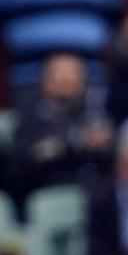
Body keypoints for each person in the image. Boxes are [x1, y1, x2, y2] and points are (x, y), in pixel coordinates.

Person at [8, 53, 113, 216]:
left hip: (94, 203)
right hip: (48, 203)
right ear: (45, 82)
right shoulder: (29, 124)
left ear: (84, 83)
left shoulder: (97, 120)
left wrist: (107, 145)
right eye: (61, 79)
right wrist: (73, 143)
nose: (67, 85)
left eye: (73, 79)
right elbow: (19, 169)